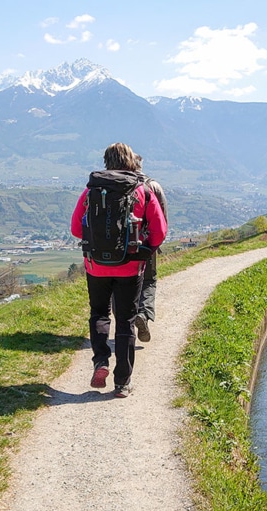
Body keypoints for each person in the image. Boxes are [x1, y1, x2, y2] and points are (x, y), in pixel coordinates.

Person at [71, 143, 168, 397]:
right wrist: (146, 250)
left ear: (107, 161)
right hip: (130, 266)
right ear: (131, 160)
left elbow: (76, 229)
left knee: (99, 314)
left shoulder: (91, 190)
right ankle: (122, 382)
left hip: (95, 266)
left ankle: (101, 361)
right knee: (126, 321)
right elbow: (159, 231)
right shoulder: (142, 190)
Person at [132, 154, 168, 342]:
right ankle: (143, 314)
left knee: (120, 283)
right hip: (145, 244)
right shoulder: (152, 186)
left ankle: (125, 323)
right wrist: (155, 245)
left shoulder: (118, 186)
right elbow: (162, 220)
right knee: (148, 281)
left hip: (120, 247)